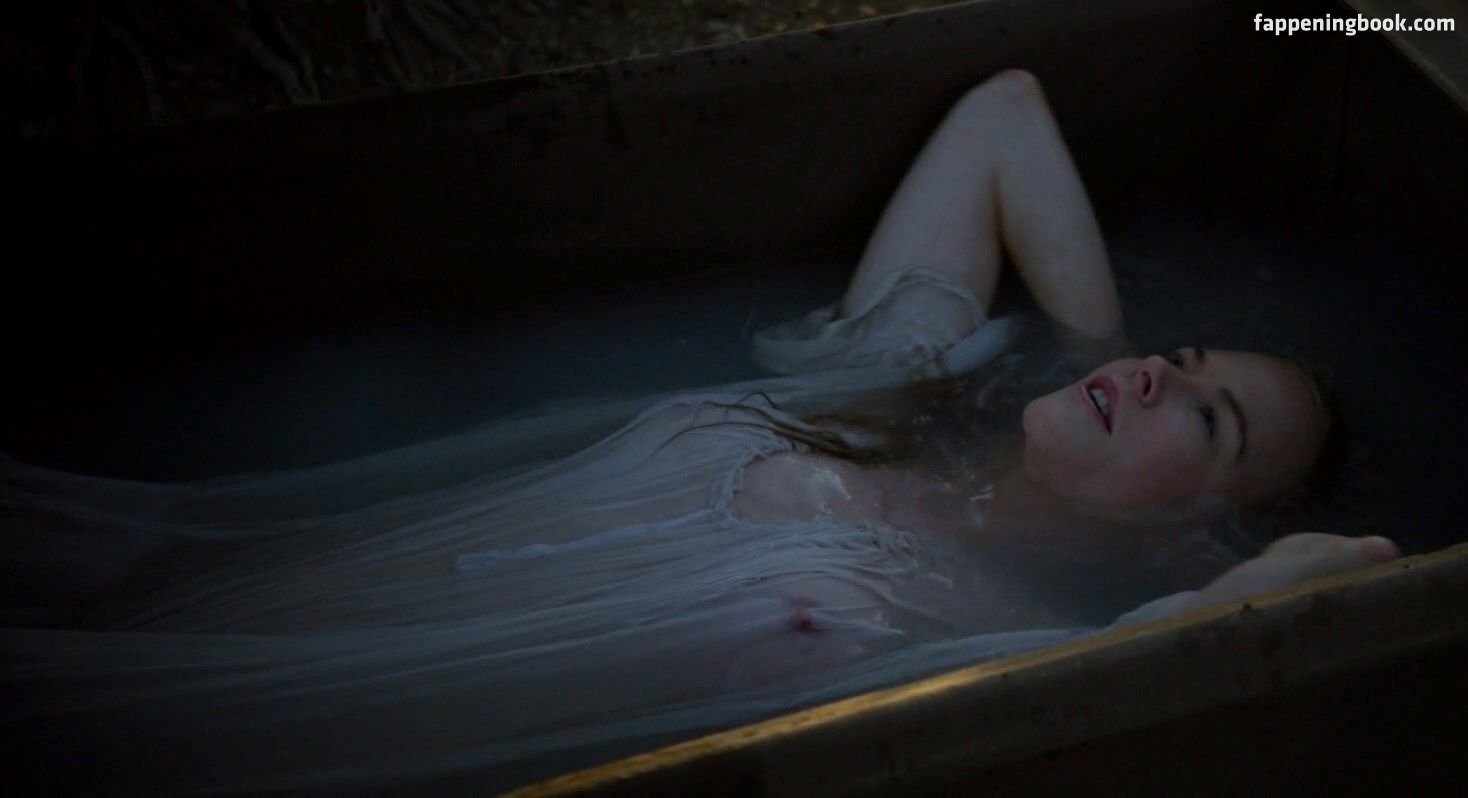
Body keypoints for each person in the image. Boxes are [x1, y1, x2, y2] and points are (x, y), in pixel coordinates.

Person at [0, 69, 1399, 793]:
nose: (1158, 375)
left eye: (1207, 417)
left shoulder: (991, 660)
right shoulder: (879, 394)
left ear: (1197, 532)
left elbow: (1345, 577)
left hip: (218, 748)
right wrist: (1097, 360)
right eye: (1179, 357)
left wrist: (1207, 575)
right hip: (178, 585)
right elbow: (1003, 116)